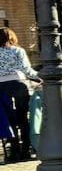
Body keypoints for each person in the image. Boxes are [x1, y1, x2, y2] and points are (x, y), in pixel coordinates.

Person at [0, 28, 39, 162]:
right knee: (23, 118)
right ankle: (26, 149)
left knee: (8, 119)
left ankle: (13, 149)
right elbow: (26, 69)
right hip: (18, 84)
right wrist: (41, 77)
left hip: (1, 87)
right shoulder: (17, 51)